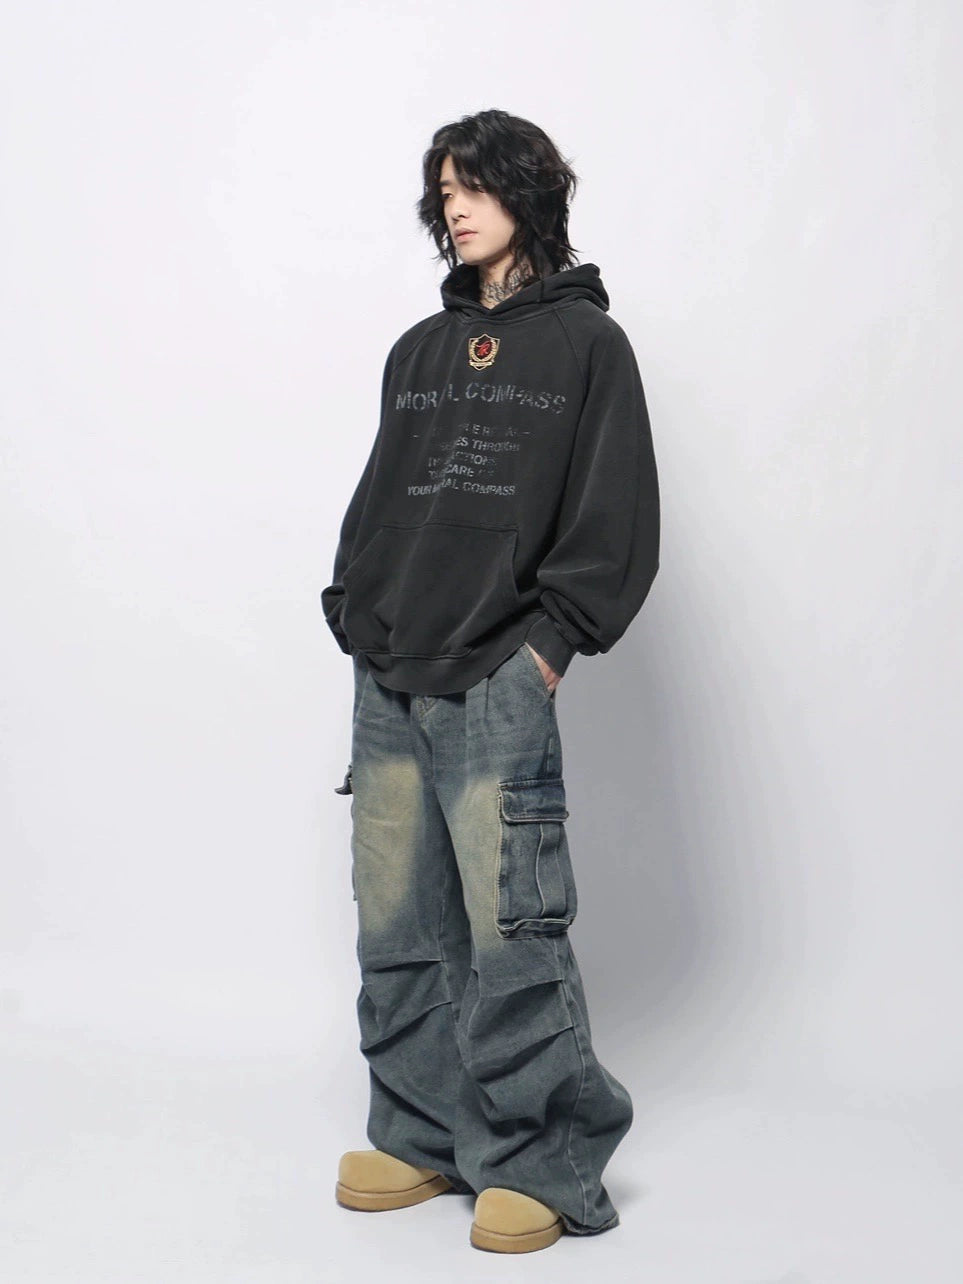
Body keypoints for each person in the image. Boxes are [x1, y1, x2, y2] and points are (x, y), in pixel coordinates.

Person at [321, 107, 660, 1255]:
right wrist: (353, 608)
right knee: (396, 925)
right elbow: (383, 495)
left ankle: (543, 1161)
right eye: (443, 191)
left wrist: (549, 647)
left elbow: (615, 516)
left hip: (500, 669)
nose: (453, 206)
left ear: (528, 191)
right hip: (390, 669)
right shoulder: (419, 350)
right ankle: (421, 1135)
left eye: (472, 185)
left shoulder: (588, 347)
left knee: (513, 927)